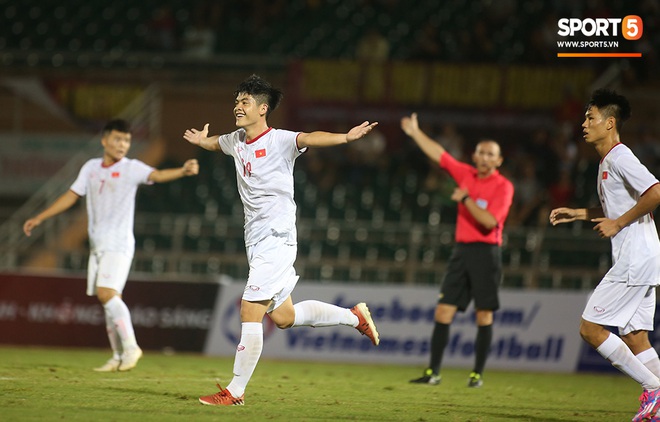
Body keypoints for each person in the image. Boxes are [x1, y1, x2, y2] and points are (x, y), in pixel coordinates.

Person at [183, 74, 380, 406]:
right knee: (284, 317)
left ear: (263, 109)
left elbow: (311, 137)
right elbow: (216, 142)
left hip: (277, 237)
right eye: (236, 101)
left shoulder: (279, 140)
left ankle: (235, 391)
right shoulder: (235, 140)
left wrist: (346, 137)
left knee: (249, 310)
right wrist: (202, 141)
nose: (237, 106)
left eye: (244, 102)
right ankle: (354, 317)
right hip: (256, 239)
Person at [23, 119, 199, 372]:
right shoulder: (91, 167)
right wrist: (41, 217)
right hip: (98, 245)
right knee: (109, 299)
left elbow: (157, 175)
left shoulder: (131, 168)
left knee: (107, 294)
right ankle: (117, 356)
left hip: (118, 243)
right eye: (118, 139)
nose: (122, 145)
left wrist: (182, 171)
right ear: (104, 141)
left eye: (126, 140)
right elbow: (72, 195)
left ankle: (131, 348)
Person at [549, 89, 660, 422]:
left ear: (609, 123)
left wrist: (618, 223)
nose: (584, 124)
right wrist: (580, 214)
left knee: (590, 328)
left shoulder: (620, 157)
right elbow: (617, 206)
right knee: (634, 336)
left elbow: (655, 192)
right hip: (645, 255)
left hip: (635, 257)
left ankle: (654, 390)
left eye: (590, 117)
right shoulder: (607, 161)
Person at [401, 112, 514, 388]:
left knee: (483, 315)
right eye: (481, 152)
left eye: (491, 154)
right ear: (474, 156)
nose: (485, 157)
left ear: (498, 161)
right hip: (462, 251)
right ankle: (433, 372)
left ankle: (477, 374)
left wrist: (466, 199)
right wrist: (416, 133)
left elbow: (490, 222)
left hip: (487, 253)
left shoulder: (504, 186)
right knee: (443, 311)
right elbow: (440, 155)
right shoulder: (465, 173)